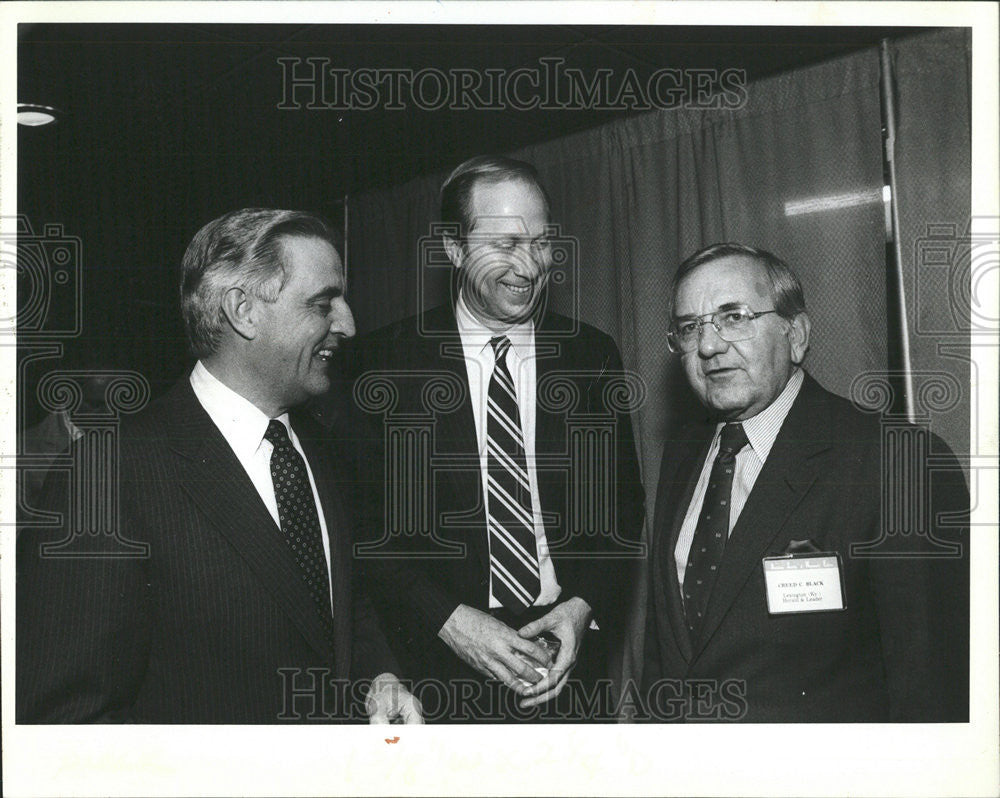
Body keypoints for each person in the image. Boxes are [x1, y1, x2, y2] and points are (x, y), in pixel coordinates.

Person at [17, 208, 422, 724]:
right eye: (323, 304)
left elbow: (332, 602)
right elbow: (63, 723)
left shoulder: (321, 445)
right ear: (243, 311)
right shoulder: (109, 474)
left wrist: (377, 679)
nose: (348, 323)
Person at [350, 156, 645, 722]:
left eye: (541, 243)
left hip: (564, 665)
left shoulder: (590, 356)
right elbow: (363, 529)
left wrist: (581, 609)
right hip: (434, 670)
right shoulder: (384, 364)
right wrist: (449, 621)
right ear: (455, 249)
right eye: (506, 243)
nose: (530, 266)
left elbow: (621, 507)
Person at [641, 242, 969, 722]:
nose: (708, 346)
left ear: (796, 335)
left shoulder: (898, 462)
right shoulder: (682, 455)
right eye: (689, 327)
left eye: (734, 317)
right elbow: (666, 652)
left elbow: (931, 690)